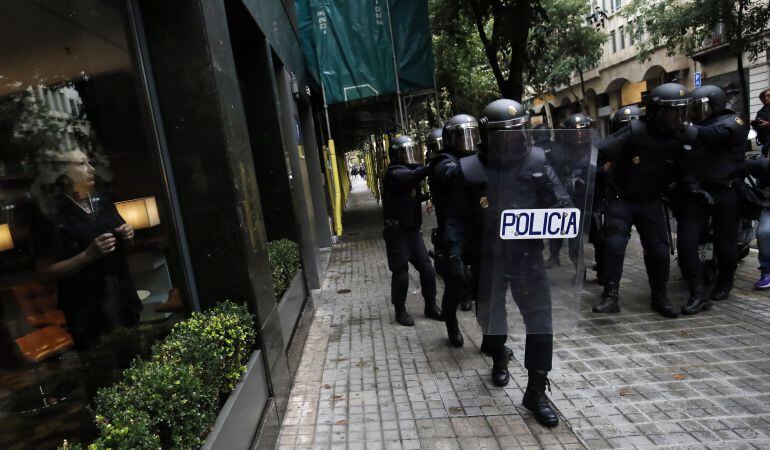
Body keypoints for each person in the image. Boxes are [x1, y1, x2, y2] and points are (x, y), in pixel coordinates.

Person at [459, 99, 573, 427]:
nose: (513, 140)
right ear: (490, 137)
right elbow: (457, 218)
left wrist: (563, 208)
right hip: (488, 258)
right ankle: (498, 354)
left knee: (540, 322)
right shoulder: (470, 170)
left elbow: (558, 197)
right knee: (491, 320)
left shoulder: (537, 160)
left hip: (527, 257)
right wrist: (455, 256)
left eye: (518, 132)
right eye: (504, 136)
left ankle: (536, 390)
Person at [592, 83, 693, 318]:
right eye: (672, 110)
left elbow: (685, 169)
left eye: (681, 110)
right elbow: (602, 151)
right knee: (615, 244)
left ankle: (660, 296)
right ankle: (610, 296)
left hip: (651, 200)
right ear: (656, 111)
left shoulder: (682, 135)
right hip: (622, 198)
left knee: (659, 250)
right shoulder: (635, 131)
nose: (678, 115)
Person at [33, 149, 141, 349]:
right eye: (82, 164)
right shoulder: (52, 215)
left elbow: (126, 246)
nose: (91, 169)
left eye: (89, 162)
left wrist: (128, 236)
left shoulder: (103, 201)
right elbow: (43, 273)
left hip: (122, 299)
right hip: (86, 311)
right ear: (63, 175)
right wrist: (87, 256)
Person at [675, 85, 749, 311]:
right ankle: (697, 291)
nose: (695, 112)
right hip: (696, 192)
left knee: (725, 241)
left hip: (724, 190)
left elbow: (720, 135)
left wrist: (687, 129)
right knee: (686, 240)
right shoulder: (694, 127)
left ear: (713, 105)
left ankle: (726, 281)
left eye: (698, 107)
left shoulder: (733, 121)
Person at [428, 116, 479, 347]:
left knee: (485, 287)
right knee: (454, 287)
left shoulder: (474, 159)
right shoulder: (443, 162)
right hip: (452, 236)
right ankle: (452, 325)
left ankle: (492, 339)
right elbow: (451, 175)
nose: (467, 141)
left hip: (477, 232)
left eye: (471, 135)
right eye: (461, 136)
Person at [381, 135, 442, 326]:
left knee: (427, 269)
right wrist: (434, 163)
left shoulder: (409, 170)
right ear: (395, 155)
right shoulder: (393, 173)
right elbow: (411, 176)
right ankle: (400, 310)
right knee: (401, 272)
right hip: (398, 233)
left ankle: (431, 305)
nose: (409, 156)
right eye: (404, 152)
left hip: (413, 231)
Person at [544, 114, 594, 281]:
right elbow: (552, 175)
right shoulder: (557, 151)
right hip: (567, 201)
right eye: (575, 133)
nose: (579, 136)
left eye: (583, 132)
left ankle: (605, 273)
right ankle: (579, 270)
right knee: (573, 239)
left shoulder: (594, 150)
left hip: (590, 201)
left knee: (602, 237)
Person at [754, 88, 770, 156]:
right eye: (763, 97)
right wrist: (758, 125)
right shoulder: (760, 112)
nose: (766, 98)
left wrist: (769, 124)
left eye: (769, 95)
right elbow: (756, 127)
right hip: (766, 144)